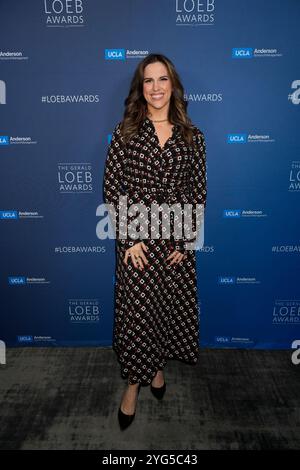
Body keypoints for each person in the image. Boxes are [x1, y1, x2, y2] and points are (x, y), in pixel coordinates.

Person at [103, 53, 207, 430]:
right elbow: (113, 187)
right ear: (141, 88)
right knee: (137, 316)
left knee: (165, 309)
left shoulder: (193, 137)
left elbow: (197, 191)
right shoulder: (125, 132)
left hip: (175, 240)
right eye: (149, 80)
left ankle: (158, 367)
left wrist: (185, 240)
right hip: (137, 244)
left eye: (163, 79)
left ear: (173, 85)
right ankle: (133, 385)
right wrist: (129, 239)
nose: (157, 87)